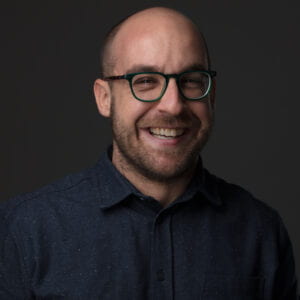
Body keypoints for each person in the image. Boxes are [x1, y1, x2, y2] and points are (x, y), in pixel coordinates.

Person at [0, 6, 298, 299]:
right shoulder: (24, 230)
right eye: (144, 81)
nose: (173, 105)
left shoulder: (261, 231)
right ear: (104, 98)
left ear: (212, 95)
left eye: (191, 81)